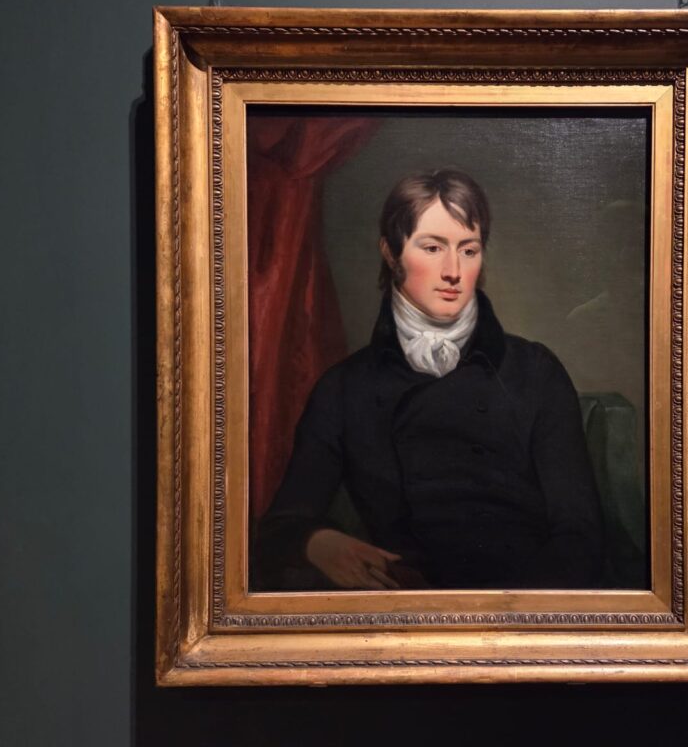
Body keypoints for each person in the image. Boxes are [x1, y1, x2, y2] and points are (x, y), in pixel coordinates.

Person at [253, 169, 603, 590]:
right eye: (433, 247)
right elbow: (281, 527)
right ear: (391, 252)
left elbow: (580, 535)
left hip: (524, 602)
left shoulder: (535, 371)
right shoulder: (344, 388)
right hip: (407, 605)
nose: (453, 271)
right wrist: (318, 542)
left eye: (469, 250)